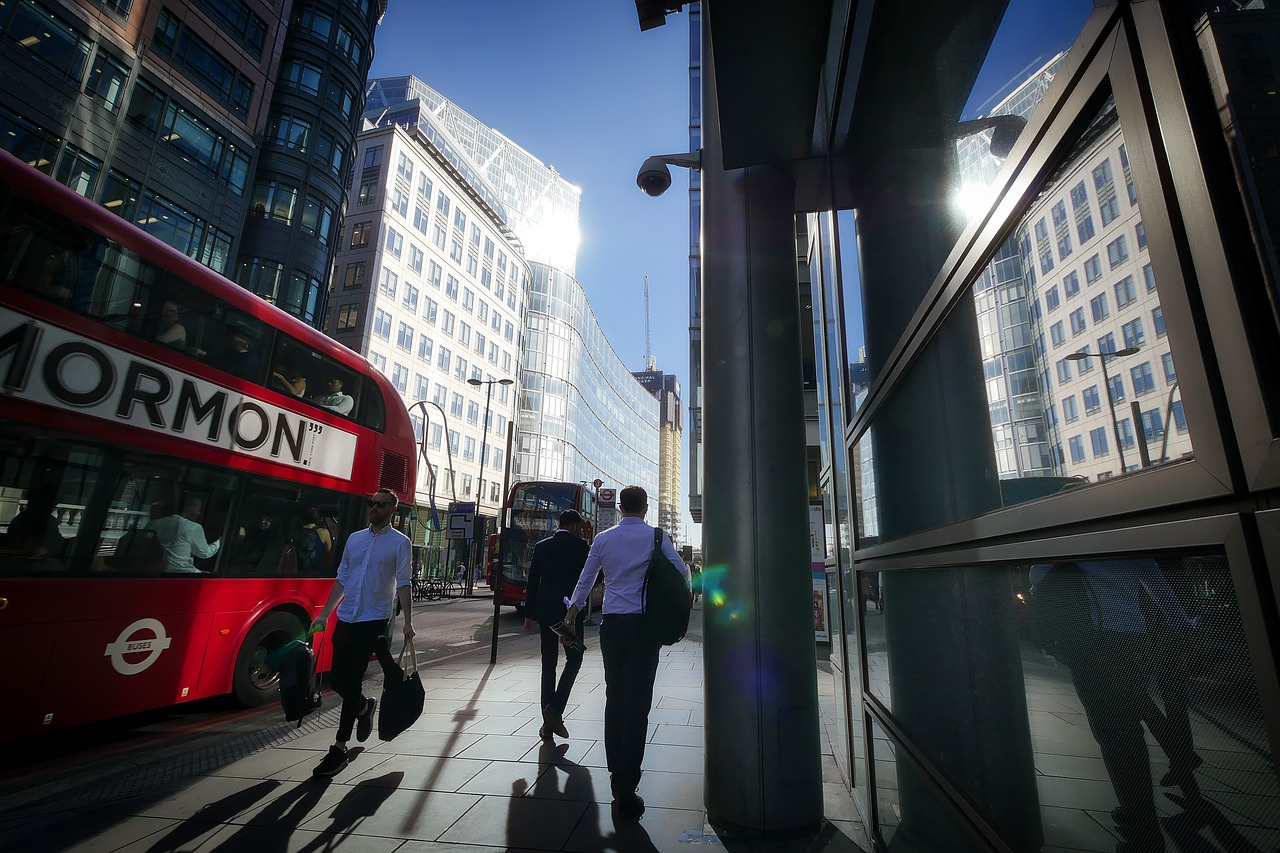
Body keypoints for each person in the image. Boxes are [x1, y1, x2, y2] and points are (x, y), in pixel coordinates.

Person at [1029, 558, 1199, 851]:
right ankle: (1138, 811)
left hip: (1091, 642)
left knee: (1112, 733)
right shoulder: (1132, 548)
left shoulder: (1073, 544)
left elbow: (1040, 575)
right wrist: (1187, 624)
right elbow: (1161, 590)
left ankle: (1141, 820)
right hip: (1134, 640)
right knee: (1129, 724)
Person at [561, 486, 689, 822]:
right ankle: (628, 786)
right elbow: (682, 573)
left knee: (614, 697)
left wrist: (571, 617)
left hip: (612, 628)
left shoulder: (604, 539)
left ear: (620, 508)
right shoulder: (657, 537)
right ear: (645, 508)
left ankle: (616, 775)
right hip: (645, 629)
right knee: (639, 703)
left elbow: (585, 580)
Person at [309, 488, 415, 777]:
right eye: (372, 503)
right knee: (340, 680)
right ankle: (364, 707)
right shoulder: (355, 540)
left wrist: (408, 622)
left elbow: (404, 583)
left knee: (352, 679)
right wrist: (324, 614)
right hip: (347, 616)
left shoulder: (399, 543)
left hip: (374, 618)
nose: (374, 508)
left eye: (381, 505)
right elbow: (342, 579)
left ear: (392, 509)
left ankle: (339, 748)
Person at [524, 509, 591, 741]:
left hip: (546, 612)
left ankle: (548, 724)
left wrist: (529, 615)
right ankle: (555, 709)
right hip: (569, 613)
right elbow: (594, 577)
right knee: (574, 659)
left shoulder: (542, 546)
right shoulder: (581, 547)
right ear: (574, 525)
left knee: (548, 663)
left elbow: (533, 581)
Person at [149, 495, 220, 573]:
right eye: (198, 509)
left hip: (157, 571)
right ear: (188, 508)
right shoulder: (193, 527)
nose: (198, 513)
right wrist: (219, 542)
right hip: (182, 572)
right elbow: (204, 553)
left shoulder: (153, 524)